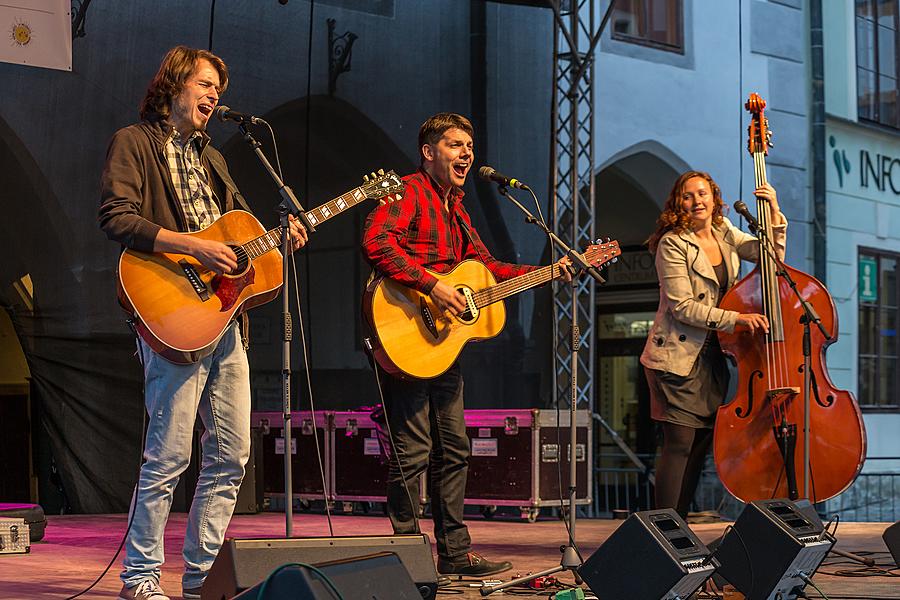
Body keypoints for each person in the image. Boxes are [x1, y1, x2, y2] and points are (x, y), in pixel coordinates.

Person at [99, 46, 307, 600]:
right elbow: (116, 216)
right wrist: (192, 247)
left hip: (223, 322)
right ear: (173, 86)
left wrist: (280, 237)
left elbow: (242, 234)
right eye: (206, 83)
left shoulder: (214, 157)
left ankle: (203, 578)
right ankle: (140, 577)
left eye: (220, 88)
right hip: (174, 314)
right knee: (169, 455)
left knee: (232, 454)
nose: (216, 95)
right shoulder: (135, 142)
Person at [362, 112, 571, 576]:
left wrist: (551, 271)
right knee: (414, 451)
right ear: (429, 151)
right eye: (455, 145)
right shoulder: (408, 190)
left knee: (454, 449)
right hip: (405, 334)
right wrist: (433, 285)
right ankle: (405, 555)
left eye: (469, 147)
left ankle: (455, 555)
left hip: (442, 347)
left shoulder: (456, 207)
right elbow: (377, 242)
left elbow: (487, 270)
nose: (466, 154)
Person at [640, 171, 786, 518]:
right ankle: (662, 528)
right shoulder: (672, 243)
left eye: (703, 193)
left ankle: (679, 526)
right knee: (679, 445)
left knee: (700, 446)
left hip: (714, 356)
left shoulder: (723, 231)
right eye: (688, 196)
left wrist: (774, 211)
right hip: (676, 357)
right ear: (679, 203)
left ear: (714, 197)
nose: (697, 201)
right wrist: (735, 319)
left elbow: (770, 257)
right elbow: (682, 306)